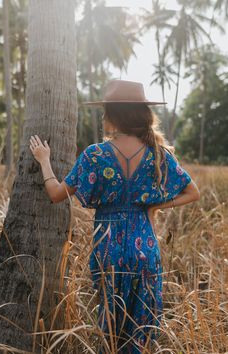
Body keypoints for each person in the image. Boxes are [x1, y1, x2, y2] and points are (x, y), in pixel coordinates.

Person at [29, 79, 200, 353]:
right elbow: (193, 193)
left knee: (110, 326)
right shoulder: (158, 154)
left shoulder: (95, 155)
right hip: (144, 245)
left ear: (112, 114)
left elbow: (56, 194)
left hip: (108, 248)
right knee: (141, 329)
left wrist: (44, 160)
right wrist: (153, 206)